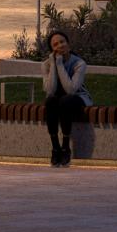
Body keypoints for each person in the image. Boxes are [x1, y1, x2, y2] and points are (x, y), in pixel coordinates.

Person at [43, 30, 91, 167]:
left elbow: (71, 90)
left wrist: (59, 65)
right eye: (55, 44)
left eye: (62, 42)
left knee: (65, 101)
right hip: (57, 98)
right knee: (50, 101)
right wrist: (53, 64)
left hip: (77, 97)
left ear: (68, 44)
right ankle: (55, 147)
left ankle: (65, 147)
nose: (60, 46)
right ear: (52, 49)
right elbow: (50, 91)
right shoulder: (46, 65)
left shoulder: (79, 64)